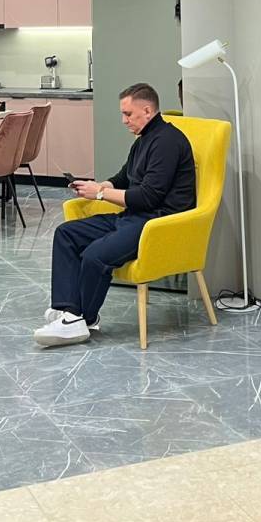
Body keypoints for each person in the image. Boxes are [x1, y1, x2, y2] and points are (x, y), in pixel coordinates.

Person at [34, 82, 196, 347]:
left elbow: (148, 197)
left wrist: (100, 194)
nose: (124, 120)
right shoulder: (143, 140)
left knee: (95, 255)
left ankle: (83, 319)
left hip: (156, 224)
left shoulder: (167, 142)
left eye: (128, 114)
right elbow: (124, 177)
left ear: (147, 110)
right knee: (67, 234)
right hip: (133, 217)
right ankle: (70, 311)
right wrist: (97, 186)